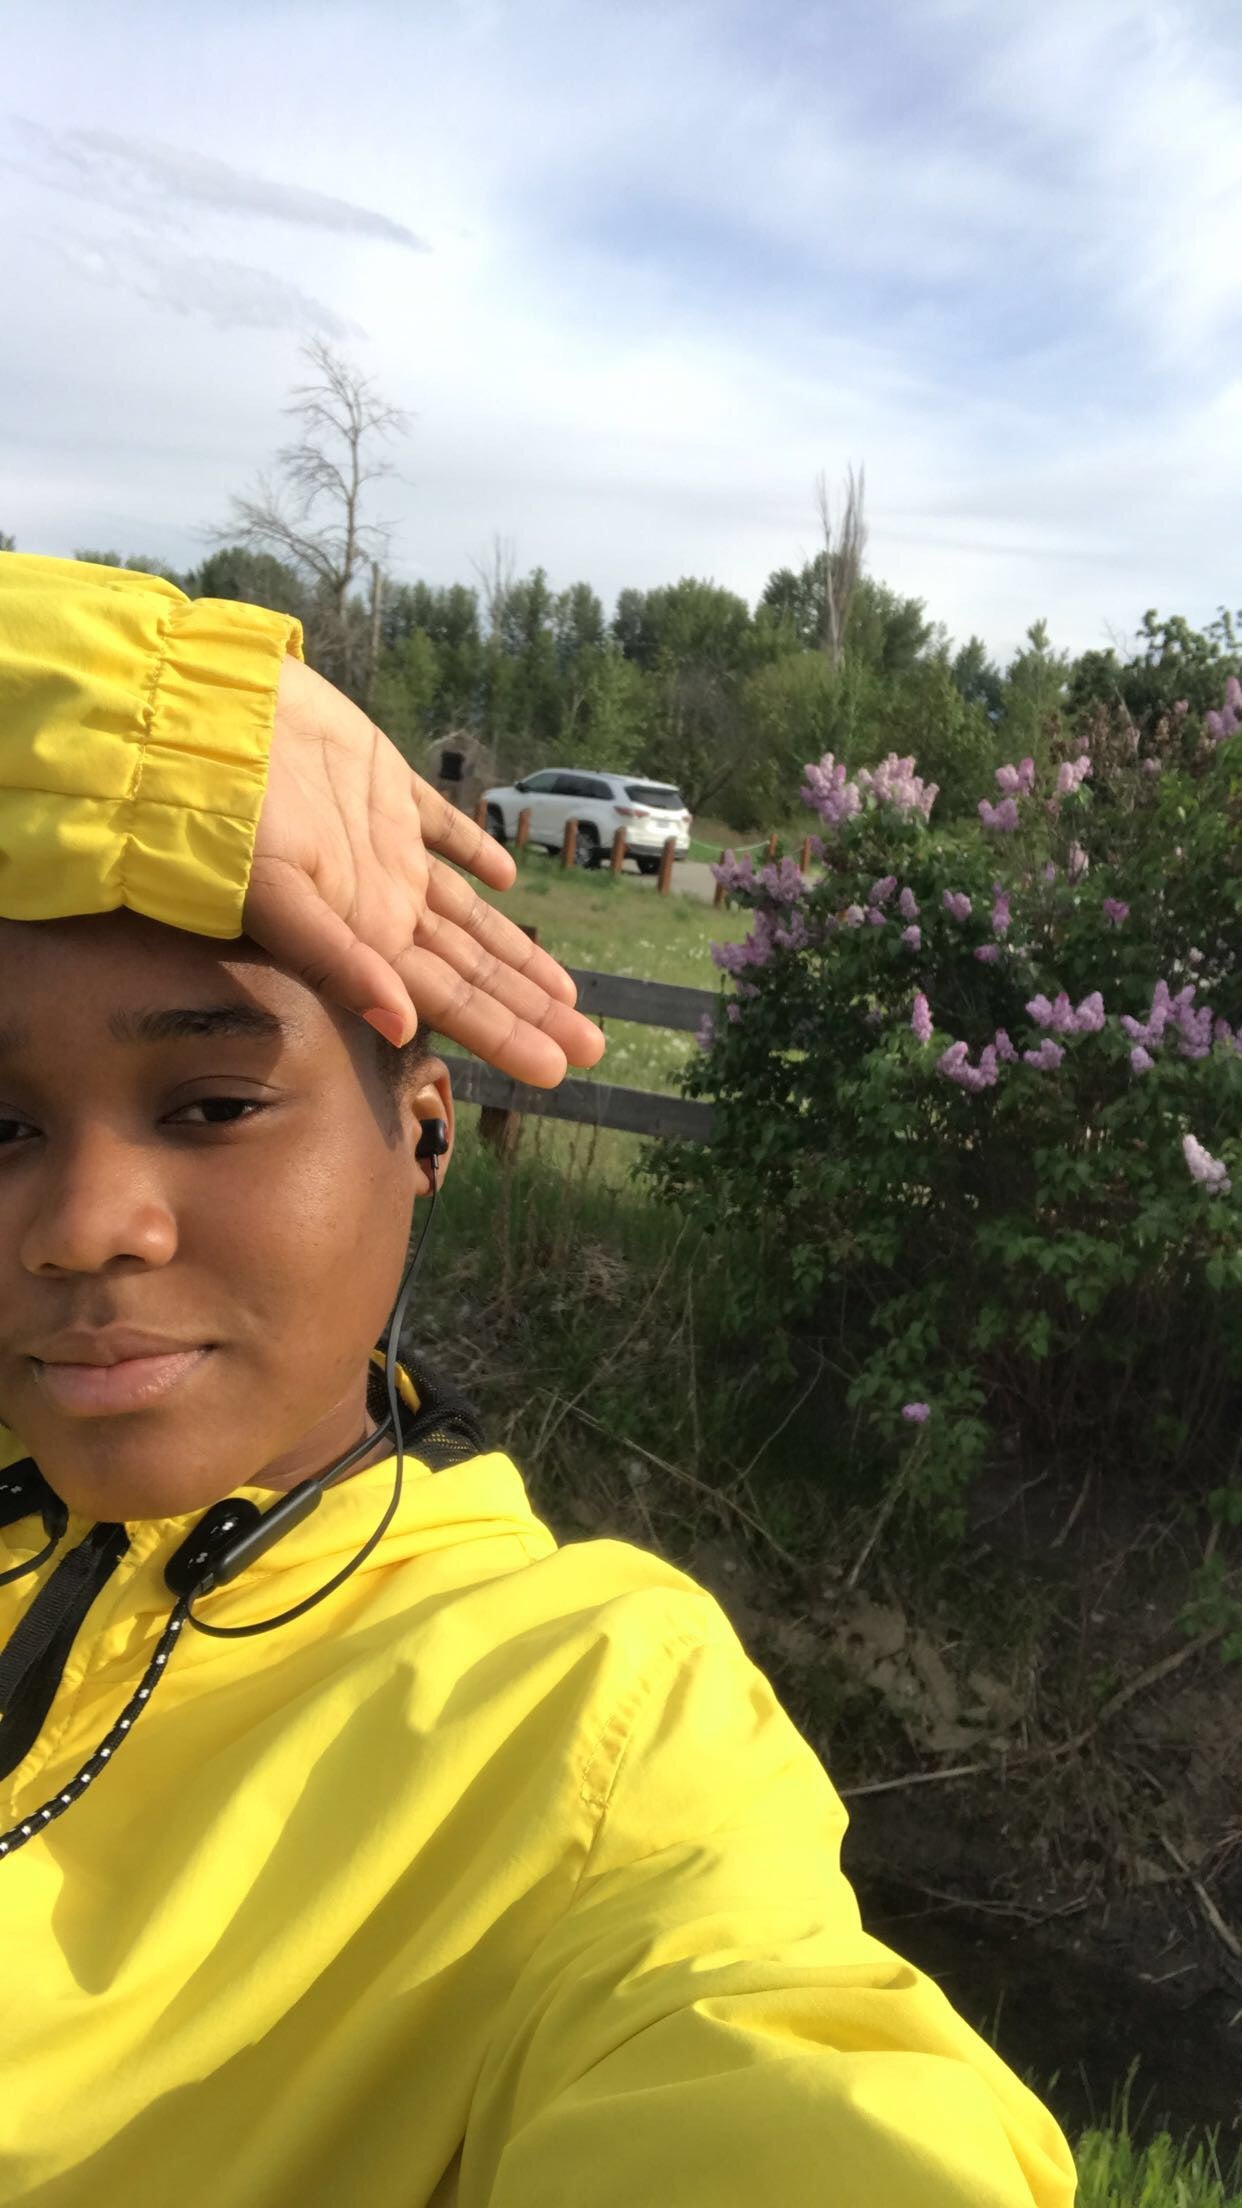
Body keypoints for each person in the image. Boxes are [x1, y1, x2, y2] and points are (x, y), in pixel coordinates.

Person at [0, 555, 1077, 2207]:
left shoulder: (582, 1713)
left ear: (425, 1125)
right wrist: (106, 711)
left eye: (211, 1104)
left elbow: (779, 2069)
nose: (83, 1227)